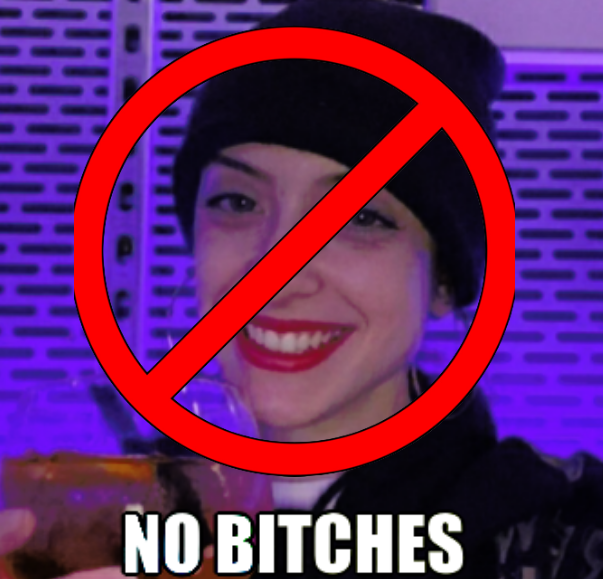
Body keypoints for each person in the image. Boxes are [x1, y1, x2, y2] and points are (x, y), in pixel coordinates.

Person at [1, 1, 602, 578]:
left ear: (444, 280)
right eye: (238, 202)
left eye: (361, 217)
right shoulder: (83, 518)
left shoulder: (564, 540)